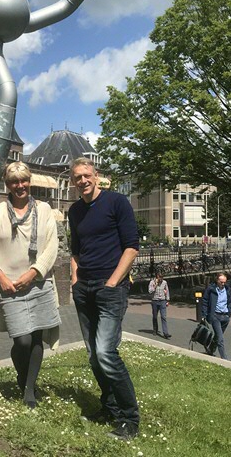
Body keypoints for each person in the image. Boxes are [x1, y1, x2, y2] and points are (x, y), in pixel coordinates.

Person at [68, 157, 140, 441]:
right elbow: (76, 249)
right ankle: (109, 408)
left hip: (110, 288)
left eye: (87, 175)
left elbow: (131, 248)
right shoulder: (75, 211)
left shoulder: (117, 203)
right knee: (93, 356)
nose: (83, 181)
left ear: (96, 176)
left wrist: (112, 283)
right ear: (73, 182)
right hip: (84, 288)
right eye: (77, 178)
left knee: (106, 354)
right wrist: (75, 279)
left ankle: (129, 419)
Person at [0, 162, 61, 409]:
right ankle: (22, 375)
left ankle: (29, 389)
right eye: (14, 182)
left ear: (30, 182)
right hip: (9, 286)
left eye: (23, 180)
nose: (20, 185)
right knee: (22, 341)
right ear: (8, 185)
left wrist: (35, 271)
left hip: (38, 284)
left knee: (37, 338)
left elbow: (52, 245)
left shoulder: (45, 210)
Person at [201, 272, 231, 360]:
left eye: (224, 282)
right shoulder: (211, 289)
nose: (223, 284)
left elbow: (230, 301)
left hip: (225, 317)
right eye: (221, 282)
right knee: (220, 338)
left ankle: (210, 349)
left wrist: (229, 313)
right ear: (217, 280)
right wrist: (204, 315)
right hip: (215, 316)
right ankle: (224, 358)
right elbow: (204, 302)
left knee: (217, 336)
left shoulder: (227, 289)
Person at [148, 272, 171, 339]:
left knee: (163, 317)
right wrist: (155, 286)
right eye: (159, 277)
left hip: (162, 301)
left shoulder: (164, 282)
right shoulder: (152, 282)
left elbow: (167, 291)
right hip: (155, 301)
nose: (161, 279)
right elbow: (150, 291)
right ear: (157, 277)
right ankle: (155, 329)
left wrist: (167, 300)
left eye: (162, 277)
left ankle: (165, 333)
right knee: (155, 316)